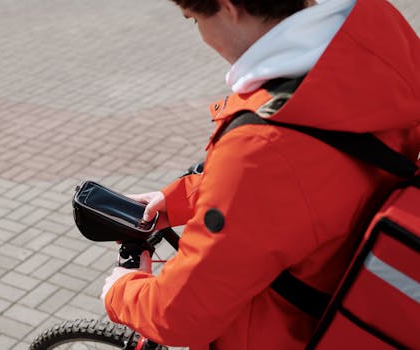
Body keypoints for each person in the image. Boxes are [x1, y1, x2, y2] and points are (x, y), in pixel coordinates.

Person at [101, 0, 420, 349]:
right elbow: (312, 178)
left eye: (194, 21)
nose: (203, 36)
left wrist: (122, 289)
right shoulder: (374, 29)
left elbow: (181, 315)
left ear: (228, 7)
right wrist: (179, 199)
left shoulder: (261, 144)